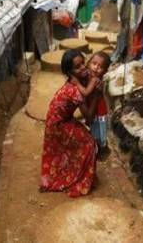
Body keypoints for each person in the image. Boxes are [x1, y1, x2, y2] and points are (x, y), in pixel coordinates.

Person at [40, 49, 100, 197]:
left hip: (61, 120)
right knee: (89, 143)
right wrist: (97, 94)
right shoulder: (73, 90)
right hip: (58, 124)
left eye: (83, 64)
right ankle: (79, 179)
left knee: (82, 139)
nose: (83, 69)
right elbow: (89, 117)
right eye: (77, 67)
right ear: (70, 72)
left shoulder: (75, 83)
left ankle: (72, 172)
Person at [85, 51, 111, 158]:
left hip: (99, 110)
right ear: (89, 63)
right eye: (94, 63)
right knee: (94, 129)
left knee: (100, 130)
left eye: (100, 67)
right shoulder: (87, 76)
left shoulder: (97, 81)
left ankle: (102, 148)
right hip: (92, 108)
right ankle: (99, 146)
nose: (96, 68)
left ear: (104, 71)